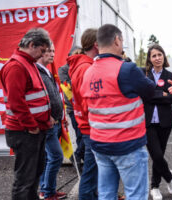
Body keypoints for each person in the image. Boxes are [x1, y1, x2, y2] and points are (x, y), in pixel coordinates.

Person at [80, 24, 155, 199]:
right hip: (127, 144)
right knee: (135, 194)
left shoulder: (89, 72)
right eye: (121, 40)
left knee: (106, 193)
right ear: (116, 40)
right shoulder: (126, 69)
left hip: (99, 143)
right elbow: (150, 91)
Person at [0, 28, 51, 200]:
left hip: (32, 130)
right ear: (31, 45)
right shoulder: (16, 66)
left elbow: (34, 97)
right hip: (25, 132)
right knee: (25, 179)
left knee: (34, 174)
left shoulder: (28, 63)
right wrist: (32, 126)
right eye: (42, 50)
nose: (43, 55)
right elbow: (16, 102)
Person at [67, 28, 98, 200]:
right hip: (91, 126)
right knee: (91, 170)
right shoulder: (86, 67)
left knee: (93, 169)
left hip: (87, 124)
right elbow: (88, 100)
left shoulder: (83, 65)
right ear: (96, 44)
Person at [144, 44, 172, 200]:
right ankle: (169, 177)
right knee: (156, 155)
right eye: (154, 56)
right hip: (148, 122)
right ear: (149, 59)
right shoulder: (144, 75)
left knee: (160, 153)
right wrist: (160, 94)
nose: (157, 58)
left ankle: (155, 187)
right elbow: (145, 96)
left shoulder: (171, 76)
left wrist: (154, 94)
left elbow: (170, 98)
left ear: (164, 56)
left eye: (159, 55)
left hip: (165, 121)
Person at [36, 43, 66, 200]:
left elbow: (54, 96)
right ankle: (47, 192)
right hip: (47, 124)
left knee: (48, 157)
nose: (53, 54)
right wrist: (47, 116)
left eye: (54, 50)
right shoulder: (37, 72)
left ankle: (47, 190)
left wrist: (61, 117)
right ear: (41, 52)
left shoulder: (46, 71)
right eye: (49, 51)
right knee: (55, 157)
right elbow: (39, 98)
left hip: (54, 122)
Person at [58, 47, 85, 172]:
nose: (78, 56)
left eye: (80, 54)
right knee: (81, 134)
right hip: (73, 108)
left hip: (86, 107)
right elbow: (67, 88)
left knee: (85, 135)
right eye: (75, 54)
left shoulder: (84, 67)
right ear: (69, 56)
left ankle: (79, 157)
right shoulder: (63, 70)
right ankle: (78, 156)